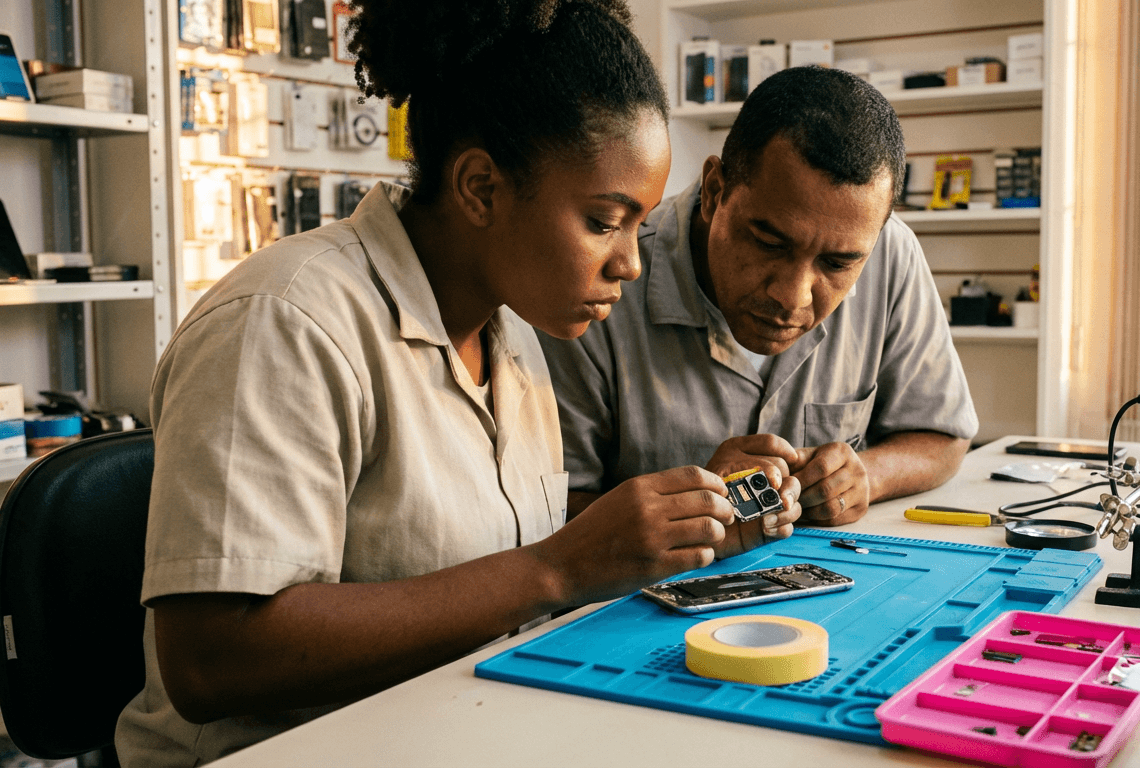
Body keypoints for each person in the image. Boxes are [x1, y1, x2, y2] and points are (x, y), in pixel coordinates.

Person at [114, 2, 802, 765]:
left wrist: (676, 530)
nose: (631, 263)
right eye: (604, 222)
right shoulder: (285, 322)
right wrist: (559, 567)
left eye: (640, 227)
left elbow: (496, 577)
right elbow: (212, 660)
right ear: (480, 188)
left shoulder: (515, 337)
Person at [539, 66, 979, 529]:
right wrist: (692, 502)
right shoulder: (604, 280)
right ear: (715, 191)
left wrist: (866, 475)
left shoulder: (891, 253)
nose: (792, 297)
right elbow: (546, 509)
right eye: (770, 244)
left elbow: (943, 435)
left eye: (836, 264)